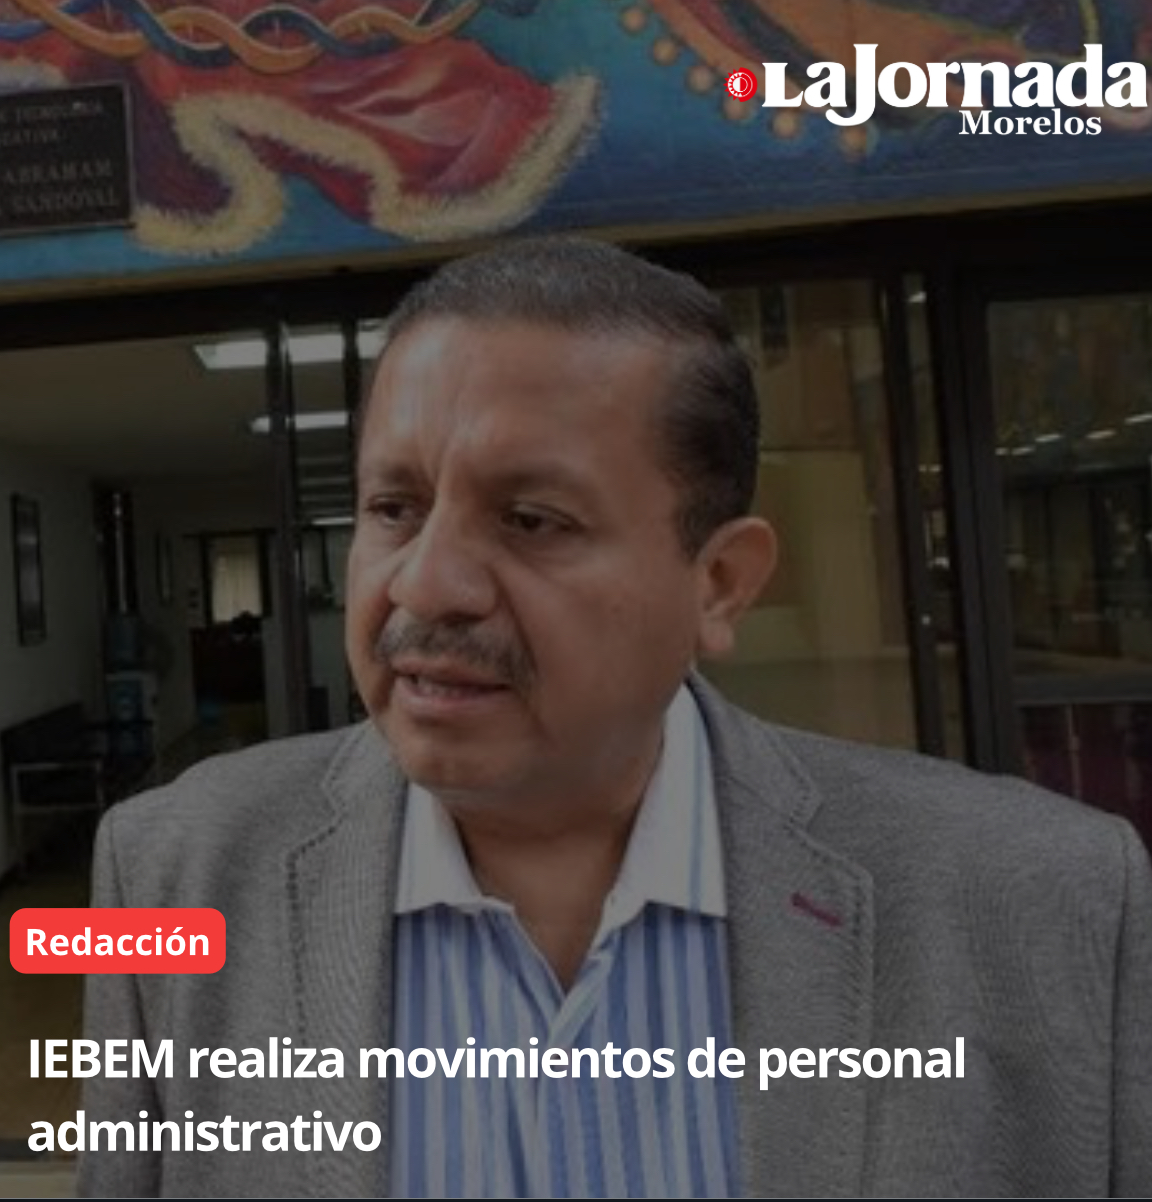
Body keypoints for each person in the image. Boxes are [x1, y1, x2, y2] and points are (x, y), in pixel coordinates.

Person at [79, 237, 1152, 1198]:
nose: (425, 584)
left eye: (531, 519)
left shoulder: (1050, 904)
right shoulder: (167, 867)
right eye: (393, 508)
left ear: (720, 583)